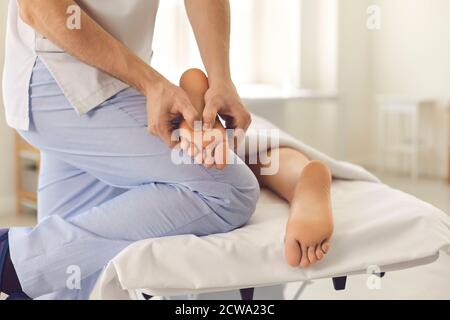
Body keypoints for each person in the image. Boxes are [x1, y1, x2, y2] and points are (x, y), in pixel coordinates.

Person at [0, 0, 332, 300]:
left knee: (68, 281)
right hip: (63, 77)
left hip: (119, 80)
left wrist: (221, 79)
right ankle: (10, 259)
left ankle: (22, 270)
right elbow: (39, 7)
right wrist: (154, 84)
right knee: (227, 190)